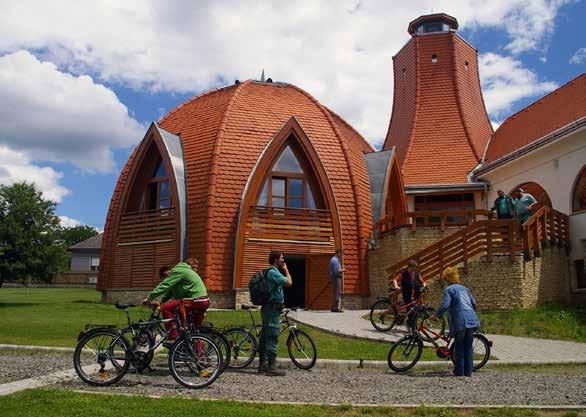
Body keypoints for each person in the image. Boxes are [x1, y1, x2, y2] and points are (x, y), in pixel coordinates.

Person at [141, 258, 209, 342]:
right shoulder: (185, 271)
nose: (167, 278)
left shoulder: (178, 271)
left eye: (165, 278)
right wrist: (160, 302)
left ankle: (174, 338)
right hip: (203, 301)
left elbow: (165, 285)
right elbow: (170, 292)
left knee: (165, 308)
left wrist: (149, 298)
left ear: (166, 273)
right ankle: (198, 353)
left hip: (194, 300)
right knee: (193, 331)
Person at [433, 266, 480, 377]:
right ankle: (468, 372)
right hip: (472, 319)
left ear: (447, 279)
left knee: (459, 345)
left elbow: (445, 305)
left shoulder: (449, 289)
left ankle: (459, 371)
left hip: (460, 320)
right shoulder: (465, 289)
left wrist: (437, 315)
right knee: (468, 346)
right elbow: (474, 303)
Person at [258, 251, 292, 376]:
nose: (283, 260)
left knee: (265, 335)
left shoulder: (272, 272)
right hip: (272, 309)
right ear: (275, 259)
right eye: (281, 258)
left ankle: (263, 365)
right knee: (272, 335)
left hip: (270, 308)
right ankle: (271, 366)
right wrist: (286, 269)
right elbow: (289, 282)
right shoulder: (273, 272)